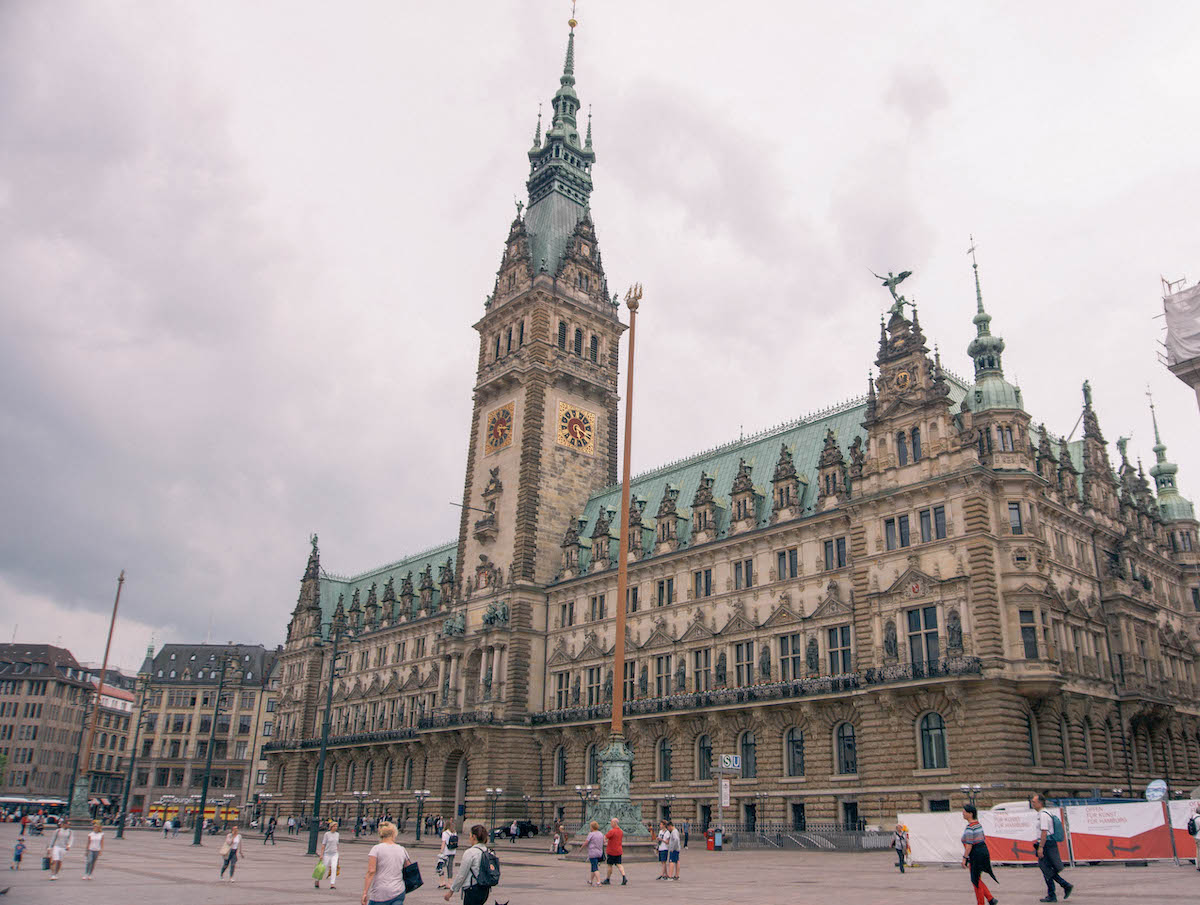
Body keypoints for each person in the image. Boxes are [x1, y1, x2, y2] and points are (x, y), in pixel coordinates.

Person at [1031, 793, 1072, 902]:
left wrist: (1040, 847)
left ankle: (1064, 886)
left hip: (1046, 844)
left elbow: (1044, 832)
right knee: (1046, 869)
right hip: (1048, 843)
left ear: (1040, 803)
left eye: (1034, 802)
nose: (1032, 804)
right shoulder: (1045, 813)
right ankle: (1053, 893)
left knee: (1045, 868)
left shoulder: (1043, 815)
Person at [362, 821, 413, 905]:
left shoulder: (376, 849)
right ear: (394, 834)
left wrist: (365, 892)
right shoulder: (402, 849)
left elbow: (371, 871)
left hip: (380, 892)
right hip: (398, 890)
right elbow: (409, 867)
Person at [444, 823, 491, 904]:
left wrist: (451, 891)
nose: (469, 838)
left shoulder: (470, 853)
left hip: (472, 890)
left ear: (474, 837)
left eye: (470, 835)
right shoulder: (489, 852)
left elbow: (461, 875)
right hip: (485, 889)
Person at [960, 804, 997, 905]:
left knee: (975, 880)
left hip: (976, 854)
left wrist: (964, 858)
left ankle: (981, 903)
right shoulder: (978, 825)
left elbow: (969, 845)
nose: (962, 813)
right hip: (982, 852)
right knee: (977, 879)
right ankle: (990, 898)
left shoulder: (970, 827)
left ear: (970, 814)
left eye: (964, 812)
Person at [601, 817, 627, 886]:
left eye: (611, 823)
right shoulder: (621, 831)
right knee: (619, 864)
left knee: (609, 865)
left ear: (614, 823)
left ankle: (608, 879)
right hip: (619, 850)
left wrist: (605, 841)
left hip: (611, 851)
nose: (611, 824)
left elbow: (605, 838)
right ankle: (624, 876)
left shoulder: (612, 831)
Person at [317, 820, 341, 889]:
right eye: (334, 826)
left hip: (334, 853)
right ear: (331, 827)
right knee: (323, 869)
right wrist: (321, 854)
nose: (335, 827)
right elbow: (323, 845)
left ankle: (332, 884)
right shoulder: (327, 834)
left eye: (336, 826)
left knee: (334, 868)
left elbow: (337, 845)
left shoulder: (337, 834)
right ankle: (317, 880)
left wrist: (338, 855)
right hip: (327, 853)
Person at [438, 821, 458, 888]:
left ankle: (442, 881)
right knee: (450, 867)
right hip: (453, 852)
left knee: (440, 866)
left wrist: (441, 851)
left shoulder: (445, 833)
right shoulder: (454, 832)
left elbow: (443, 843)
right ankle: (450, 883)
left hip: (446, 852)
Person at [584, 820, 604, 886]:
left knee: (595, 867)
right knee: (593, 867)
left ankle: (598, 881)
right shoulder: (601, 833)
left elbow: (586, 842)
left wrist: (581, 848)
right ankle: (590, 880)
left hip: (593, 853)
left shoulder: (591, 834)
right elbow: (604, 841)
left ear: (592, 827)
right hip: (599, 852)